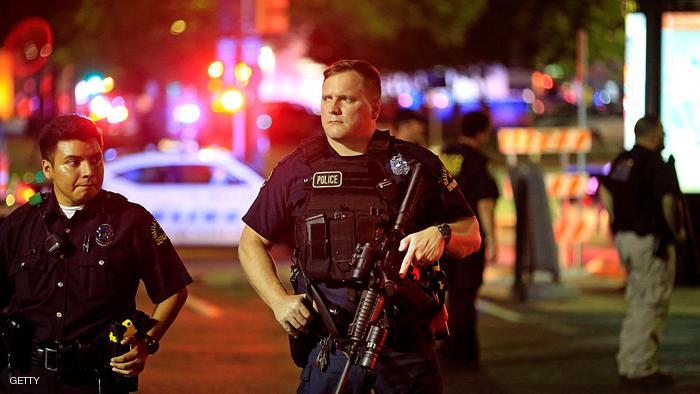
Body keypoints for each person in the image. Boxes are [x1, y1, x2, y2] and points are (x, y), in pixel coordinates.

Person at [238, 59, 481, 393]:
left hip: (404, 348)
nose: (333, 109)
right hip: (330, 348)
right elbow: (251, 242)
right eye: (327, 99)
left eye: (346, 99)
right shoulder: (296, 169)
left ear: (375, 107)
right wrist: (278, 301)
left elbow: (471, 232)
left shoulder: (413, 165)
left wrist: (442, 234)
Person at [0, 115, 192, 393]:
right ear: (48, 168)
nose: (89, 170)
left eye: (96, 159)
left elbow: (173, 290)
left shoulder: (130, 221)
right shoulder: (19, 224)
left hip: (97, 380)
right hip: (26, 378)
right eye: (73, 162)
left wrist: (147, 342)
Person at [599, 115, 685, 389]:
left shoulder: (623, 161)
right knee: (651, 303)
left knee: (638, 301)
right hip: (650, 241)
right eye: (662, 132)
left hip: (626, 239)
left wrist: (616, 221)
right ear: (655, 134)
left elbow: (606, 191)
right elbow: (669, 202)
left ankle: (630, 363)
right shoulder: (656, 165)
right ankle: (640, 369)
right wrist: (677, 232)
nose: (665, 137)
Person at [438, 110, 499, 368]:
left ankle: (448, 345)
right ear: (482, 132)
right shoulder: (477, 161)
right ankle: (463, 351)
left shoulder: (444, 155)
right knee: (466, 295)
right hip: (468, 238)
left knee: (447, 293)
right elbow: (484, 203)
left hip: (441, 236)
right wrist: (492, 239)